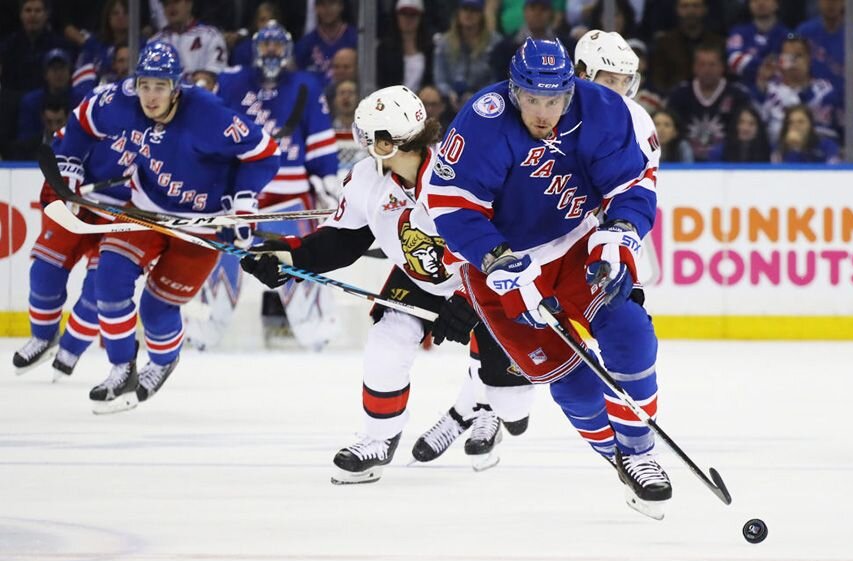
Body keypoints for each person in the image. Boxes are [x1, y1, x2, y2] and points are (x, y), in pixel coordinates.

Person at [423, 38, 671, 519]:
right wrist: (494, 258)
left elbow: (633, 183)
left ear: (570, 88)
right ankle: (618, 459)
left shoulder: (601, 108)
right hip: (500, 266)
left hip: (575, 242)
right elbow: (452, 204)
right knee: (572, 383)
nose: (543, 111)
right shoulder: (484, 119)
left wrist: (619, 236)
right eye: (532, 99)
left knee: (630, 331)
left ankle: (640, 451)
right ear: (514, 91)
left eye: (553, 99)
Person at [239, 86, 486, 482]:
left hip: (481, 279)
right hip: (417, 278)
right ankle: (378, 439)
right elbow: (341, 243)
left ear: (387, 142)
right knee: (387, 343)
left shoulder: (459, 173)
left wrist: (470, 297)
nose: (363, 143)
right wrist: (285, 256)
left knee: (505, 377)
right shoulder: (366, 179)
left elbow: (500, 238)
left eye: (368, 136)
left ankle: (483, 407)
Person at [51, 41, 280, 414]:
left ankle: (161, 362)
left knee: (156, 309)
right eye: (144, 85)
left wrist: (242, 201)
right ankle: (122, 367)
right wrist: (71, 163)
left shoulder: (209, 115)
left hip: (201, 225)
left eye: (160, 86)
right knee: (108, 280)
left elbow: (265, 153)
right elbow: (81, 120)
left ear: (177, 87)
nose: (151, 96)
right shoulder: (121, 101)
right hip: (146, 208)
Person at [187, 21, 341, 351]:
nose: (271, 51)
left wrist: (327, 174)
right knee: (220, 265)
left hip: (292, 200)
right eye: (265, 44)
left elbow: (317, 134)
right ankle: (200, 333)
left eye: (277, 45)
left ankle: (318, 336)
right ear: (255, 50)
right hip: (242, 198)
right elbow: (209, 122)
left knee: (299, 267)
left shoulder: (305, 84)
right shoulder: (231, 81)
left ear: (287, 51)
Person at [12, 93, 131, 378]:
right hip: (83, 203)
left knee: (100, 288)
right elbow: (64, 143)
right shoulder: (102, 109)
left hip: (127, 213)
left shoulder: (167, 125)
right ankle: (43, 336)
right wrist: (66, 180)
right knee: (44, 269)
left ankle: (71, 349)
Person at [665, 42, 751, 161]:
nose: (707, 69)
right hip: (684, 163)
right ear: (694, 67)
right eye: (702, 64)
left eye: (712, 65)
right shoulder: (680, 95)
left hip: (727, 163)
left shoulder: (737, 95)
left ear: (722, 67)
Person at [432, 0, 502, 111]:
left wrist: (475, 96)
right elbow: (439, 79)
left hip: (484, 102)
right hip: (448, 103)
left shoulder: (495, 43)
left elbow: (495, 79)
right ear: (458, 12)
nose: (468, 14)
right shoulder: (444, 42)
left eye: (474, 10)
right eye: (465, 9)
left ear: (481, 14)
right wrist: (449, 93)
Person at [150, 0, 228, 90]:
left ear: (189, 3)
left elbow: (216, 73)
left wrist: (205, 77)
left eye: (176, 2)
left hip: (202, 96)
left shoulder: (211, 35)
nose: (171, 7)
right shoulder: (154, 42)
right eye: (166, 4)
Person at [725, 0, 791, 89]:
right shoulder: (738, 32)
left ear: (777, 4)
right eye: (755, 0)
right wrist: (767, 65)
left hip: (779, 91)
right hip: (744, 90)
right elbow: (734, 60)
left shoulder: (788, 35)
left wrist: (749, 61)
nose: (760, 3)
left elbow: (789, 65)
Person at [293, 0, 358, 83]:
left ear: (341, 6)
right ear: (316, 8)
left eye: (332, 3)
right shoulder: (305, 43)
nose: (327, 9)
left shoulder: (355, 37)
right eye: (322, 4)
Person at [771, 104, 841, 163]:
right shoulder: (779, 148)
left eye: (801, 122)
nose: (795, 126)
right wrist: (795, 149)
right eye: (790, 122)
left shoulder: (827, 145)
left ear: (810, 125)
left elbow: (834, 171)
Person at [707, 105, 771, 162]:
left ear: (758, 129)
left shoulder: (769, 152)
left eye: (751, 124)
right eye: (741, 122)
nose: (745, 128)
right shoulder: (719, 152)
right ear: (735, 125)